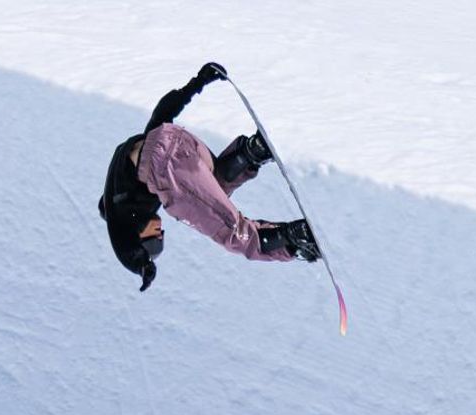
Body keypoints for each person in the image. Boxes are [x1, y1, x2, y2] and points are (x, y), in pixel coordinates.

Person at [99, 62, 320, 291]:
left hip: (166, 167)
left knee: (230, 232)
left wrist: (142, 266)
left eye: (154, 237)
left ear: (138, 236)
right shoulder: (123, 178)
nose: (160, 231)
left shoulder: (119, 212)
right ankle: (253, 151)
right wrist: (197, 82)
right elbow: (161, 113)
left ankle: (296, 239)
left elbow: (122, 245)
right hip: (176, 140)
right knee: (214, 189)